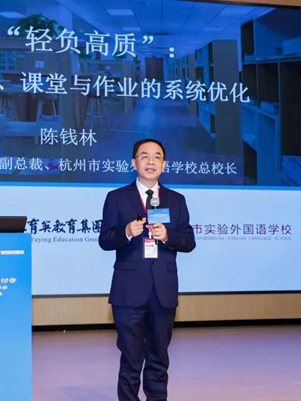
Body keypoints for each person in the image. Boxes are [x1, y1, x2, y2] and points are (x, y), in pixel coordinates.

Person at [98, 138, 196, 401]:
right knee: (131, 357)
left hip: (163, 291)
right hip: (128, 291)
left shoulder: (176, 200)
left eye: (157, 157)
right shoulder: (117, 198)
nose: (150, 161)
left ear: (164, 164)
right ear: (134, 163)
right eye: (144, 156)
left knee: (159, 357)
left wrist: (168, 236)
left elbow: (189, 242)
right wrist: (126, 232)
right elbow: (105, 240)